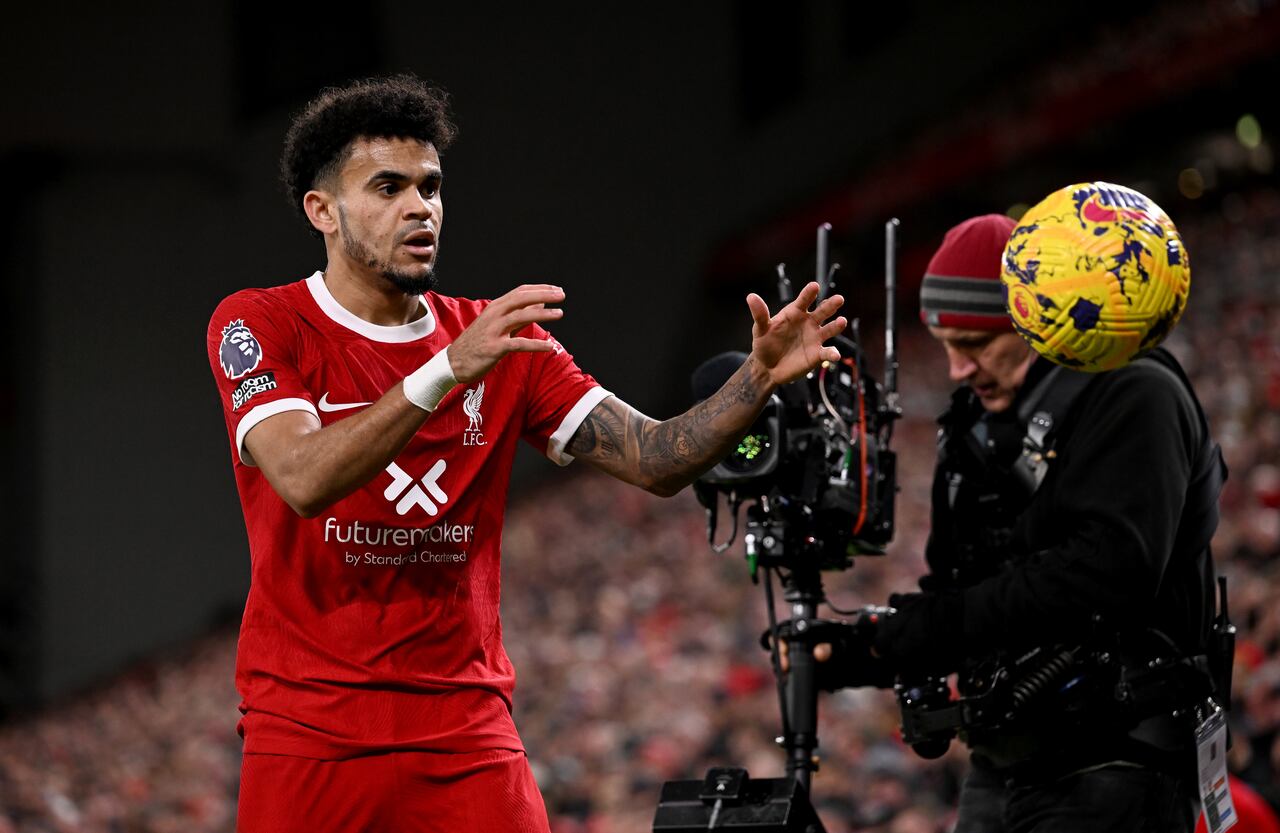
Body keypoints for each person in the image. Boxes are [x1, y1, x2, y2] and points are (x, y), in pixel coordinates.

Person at [205, 75, 847, 833]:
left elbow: (655, 458)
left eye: (432, 187)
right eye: (387, 187)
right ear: (322, 210)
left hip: (465, 733)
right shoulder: (259, 322)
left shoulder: (503, 340)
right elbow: (304, 478)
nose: (421, 208)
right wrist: (445, 369)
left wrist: (756, 377)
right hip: (308, 733)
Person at [812, 214, 1227, 832]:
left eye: (975, 344)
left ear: (1038, 319)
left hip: (1116, 762)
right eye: (946, 344)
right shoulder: (976, 424)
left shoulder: (1135, 390)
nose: (956, 369)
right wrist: (869, 648)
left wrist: (933, 625)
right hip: (1001, 764)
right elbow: (961, 594)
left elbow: (1106, 571)